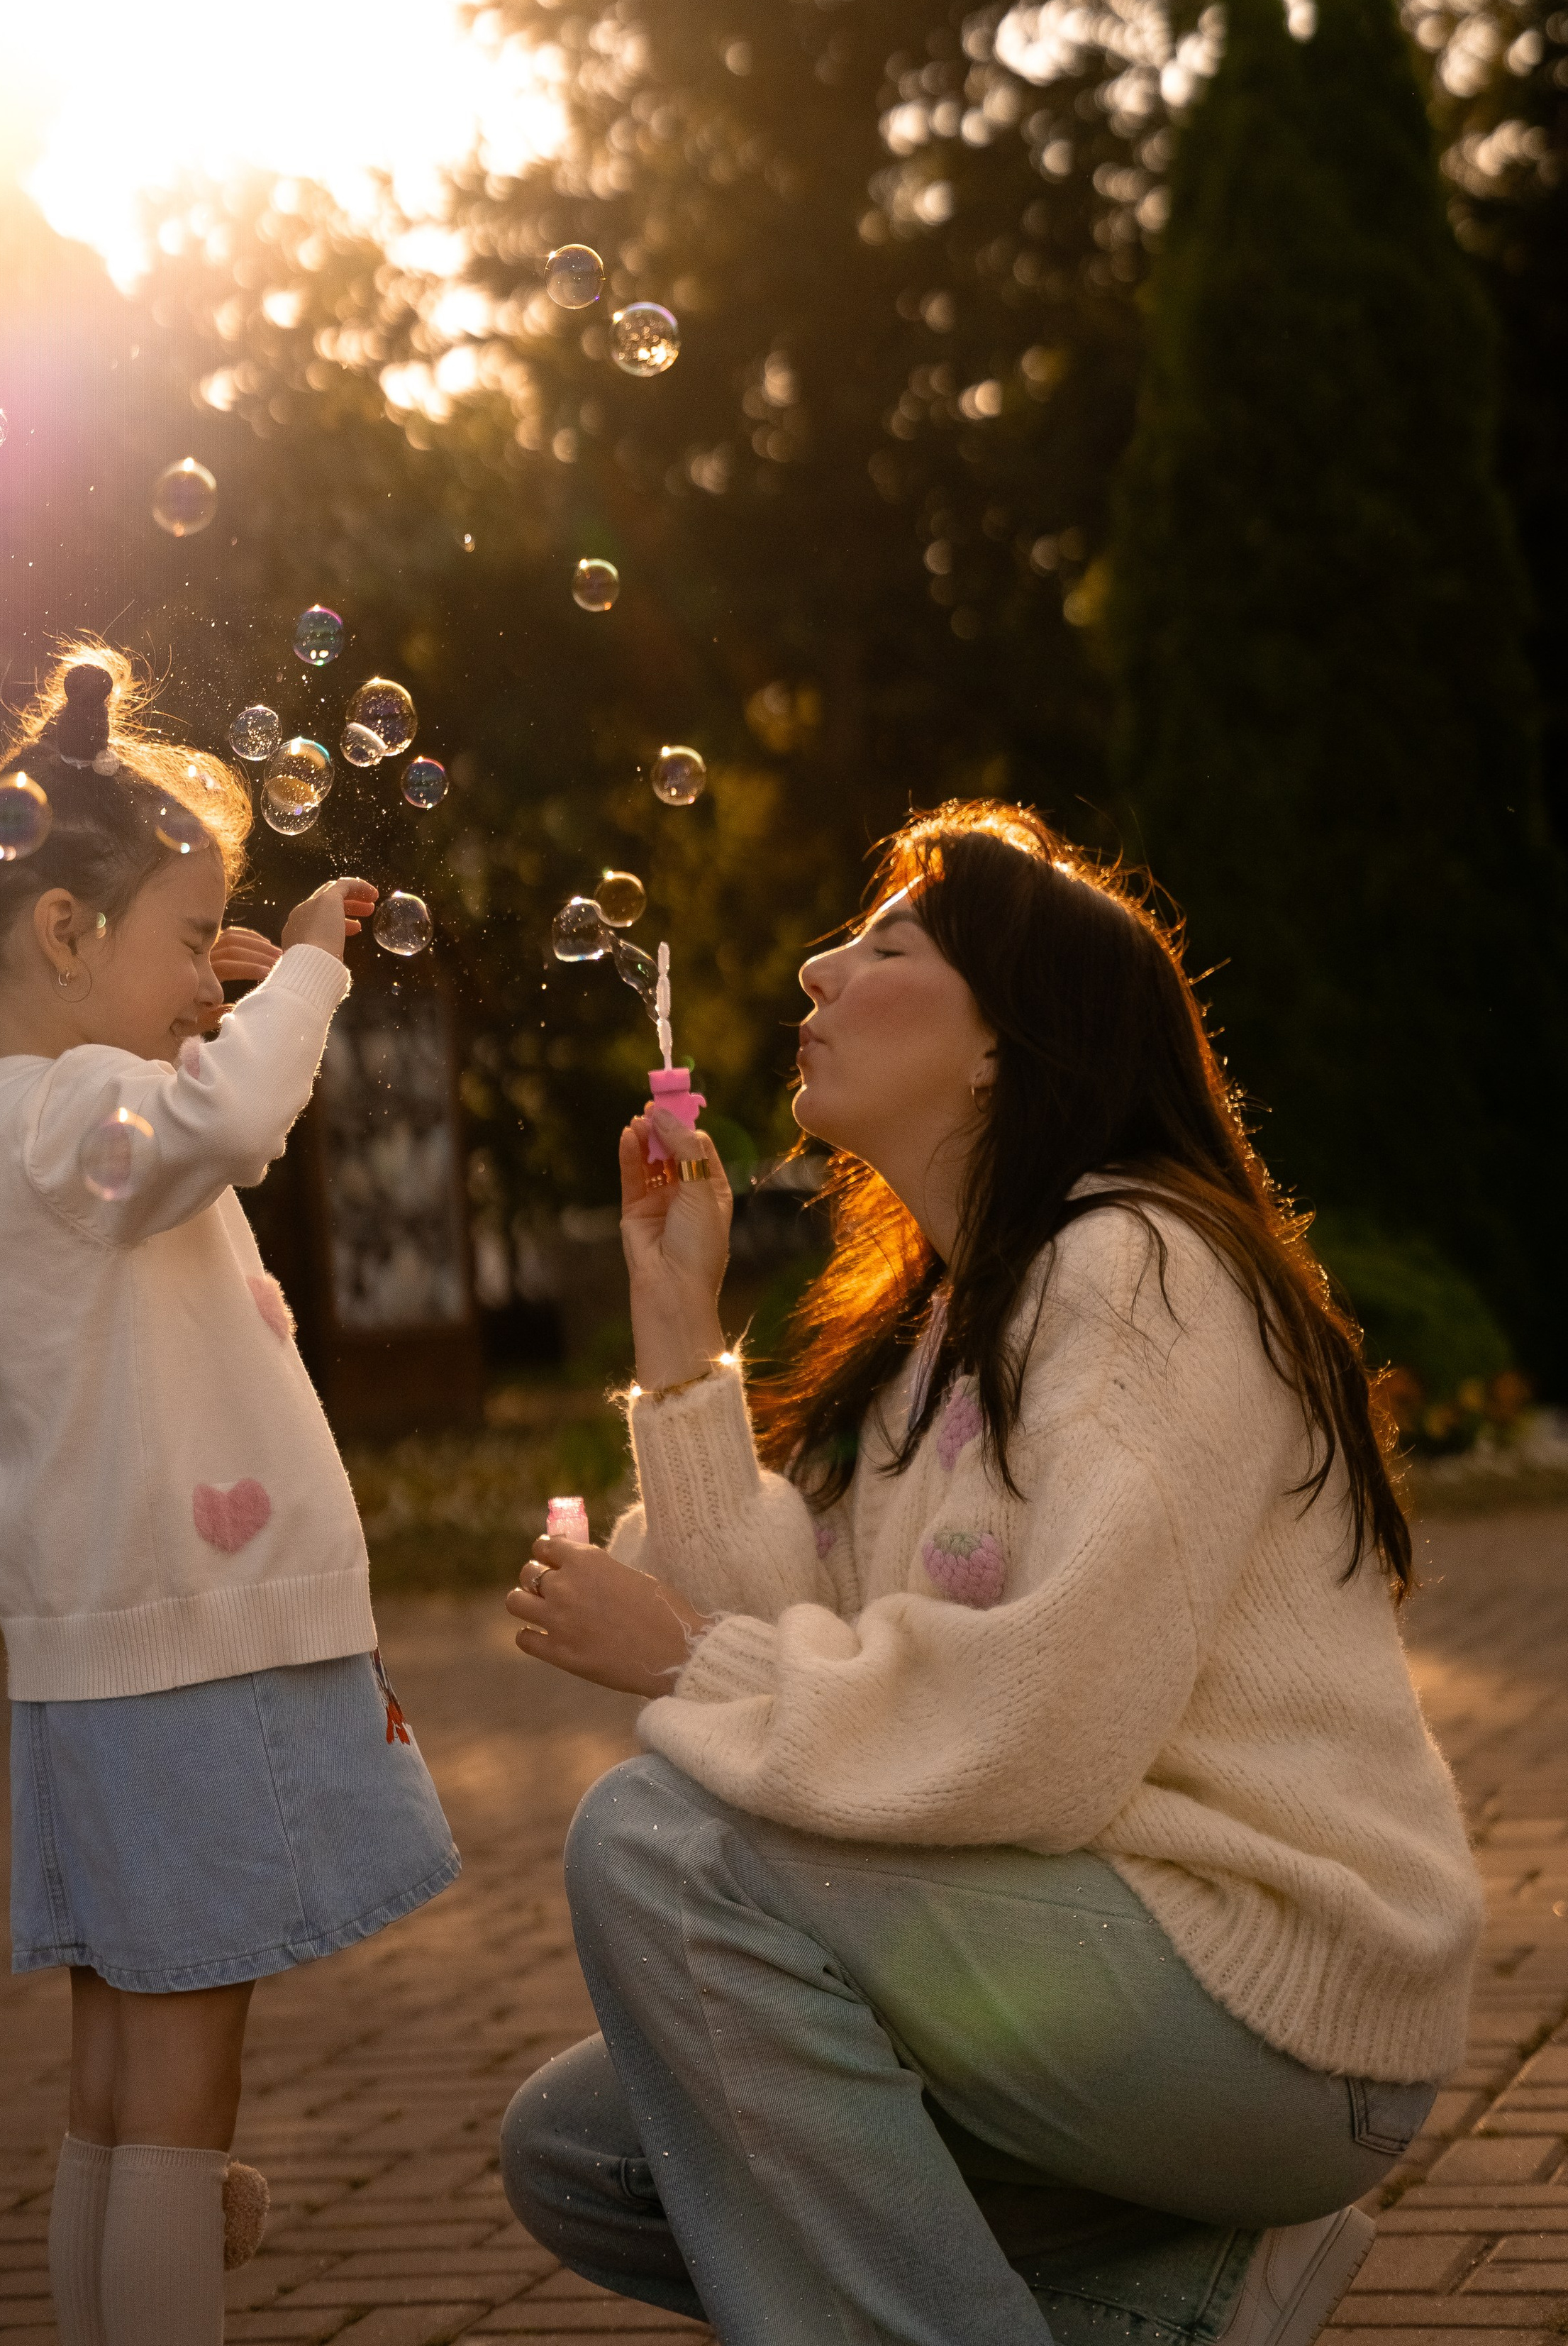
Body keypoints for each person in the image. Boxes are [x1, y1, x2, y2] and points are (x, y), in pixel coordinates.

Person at [499, 799, 1481, 2346]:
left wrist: (687, 1663)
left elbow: (1047, 1722)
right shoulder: (934, 1333)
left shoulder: (1140, 1268)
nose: (815, 969)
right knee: (583, 2148)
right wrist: (675, 1325)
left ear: (1003, 1043)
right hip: (1094, 1963)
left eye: (883, 942)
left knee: (665, 1850)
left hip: (1275, 1998)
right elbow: (798, 1638)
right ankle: (1187, 2290)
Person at [0, 651, 459, 2346]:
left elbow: (202, 1119)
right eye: (173, 938)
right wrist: (304, 973)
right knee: (182, 2092)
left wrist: (212, 991)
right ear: (65, 936)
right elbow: (226, 1115)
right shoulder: (82, 1120)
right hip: (187, 1650)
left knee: (114, 2068)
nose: (197, 985)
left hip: (93, 1661)